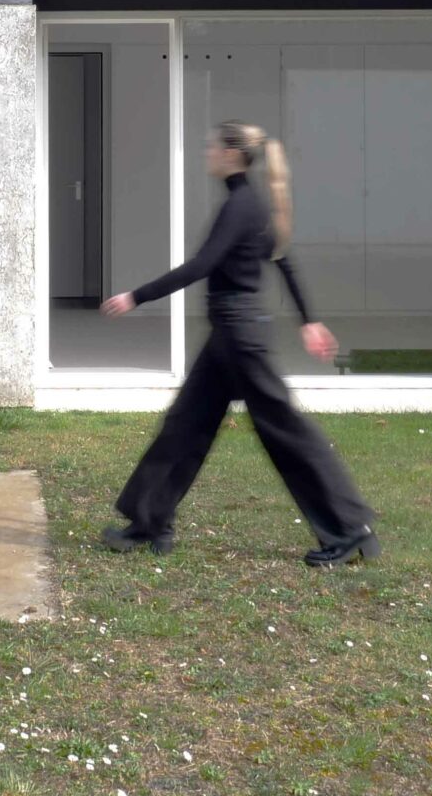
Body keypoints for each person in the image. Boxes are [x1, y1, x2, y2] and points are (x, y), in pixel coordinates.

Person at [98, 120, 380, 568]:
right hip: (230, 337)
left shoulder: (242, 206)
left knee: (284, 431)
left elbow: (202, 265)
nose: (207, 152)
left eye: (212, 146)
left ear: (231, 154)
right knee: (184, 425)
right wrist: (309, 321)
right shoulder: (250, 204)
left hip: (242, 338)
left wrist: (137, 296)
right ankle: (150, 521)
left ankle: (349, 529)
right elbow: (284, 261)